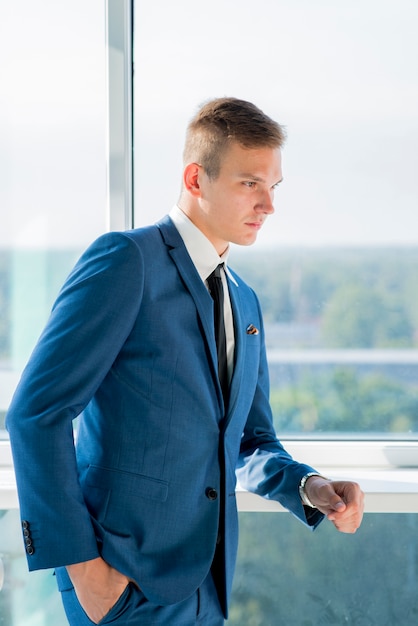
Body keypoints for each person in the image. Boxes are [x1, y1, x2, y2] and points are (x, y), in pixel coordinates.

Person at [6, 97, 364, 626]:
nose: (268, 205)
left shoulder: (244, 300)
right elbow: (35, 414)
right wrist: (86, 572)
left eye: (274, 186)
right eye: (250, 184)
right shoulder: (126, 262)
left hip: (209, 586)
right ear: (196, 179)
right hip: (121, 585)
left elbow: (248, 441)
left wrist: (310, 488)